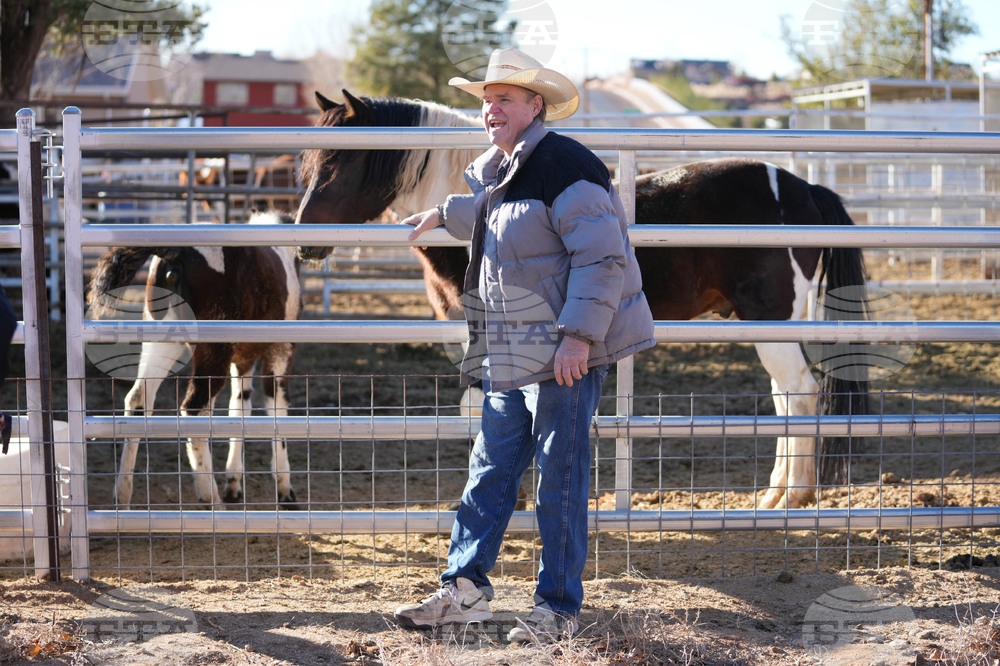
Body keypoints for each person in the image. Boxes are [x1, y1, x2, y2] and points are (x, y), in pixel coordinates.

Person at [393, 47, 655, 643]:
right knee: (490, 466)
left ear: (536, 105)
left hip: (561, 352)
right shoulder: (505, 165)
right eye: (486, 100)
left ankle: (557, 608)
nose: (491, 110)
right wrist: (441, 213)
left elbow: (601, 257)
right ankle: (465, 589)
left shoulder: (567, 165)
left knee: (559, 474)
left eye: (503, 99)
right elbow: (493, 214)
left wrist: (578, 339)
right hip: (511, 347)